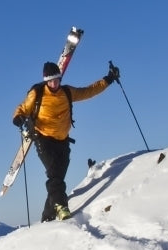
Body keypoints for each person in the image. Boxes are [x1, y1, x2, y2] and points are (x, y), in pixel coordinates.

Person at [12, 60, 120, 221]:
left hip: (63, 141)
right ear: (46, 80)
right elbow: (23, 108)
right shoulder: (37, 93)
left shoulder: (67, 92)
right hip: (43, 139)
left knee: (58, 178)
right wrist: (18, 118)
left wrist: (109, 79)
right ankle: (62, 207)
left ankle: (47, 216)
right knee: (54, 174)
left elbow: (89, 91)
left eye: (56, 80)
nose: (54, 83)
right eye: (50, 81)